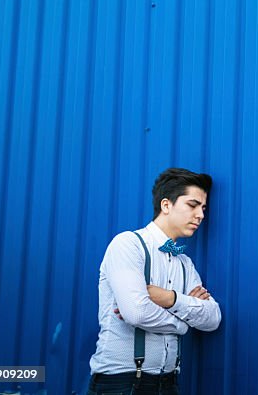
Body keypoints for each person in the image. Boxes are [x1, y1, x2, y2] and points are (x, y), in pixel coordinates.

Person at [87, 168, 222, 394]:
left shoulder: (184, 263)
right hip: (122, 384)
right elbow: (136, 312)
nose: (201, 215)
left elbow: (213, 318)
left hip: (169, 384)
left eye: (203, 208)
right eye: (193, 205)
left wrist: (169, 299)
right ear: (166, 205)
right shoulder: (128, 245)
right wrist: (183, 323)